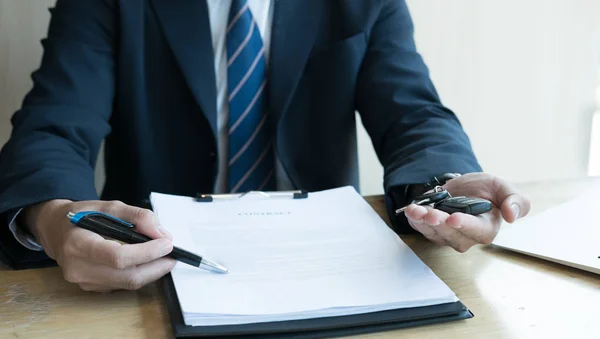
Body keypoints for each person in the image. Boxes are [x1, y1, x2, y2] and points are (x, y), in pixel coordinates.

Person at [0, 0, 530, 292]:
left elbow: (413, 112)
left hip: (327, 269)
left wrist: (444, 186)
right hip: (149, 269)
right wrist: (51, 220)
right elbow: (53, 126)